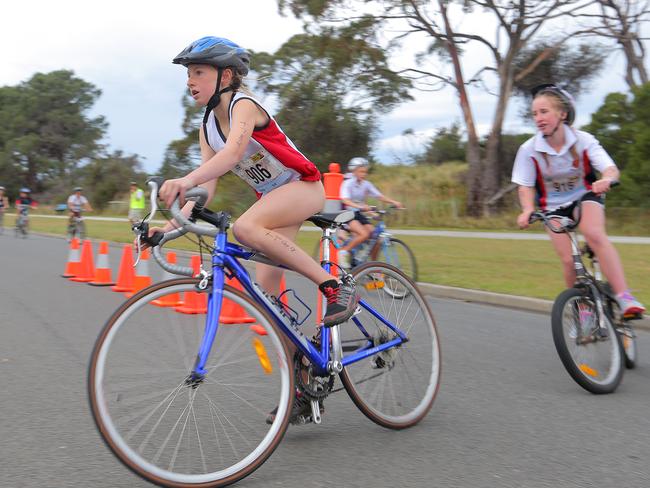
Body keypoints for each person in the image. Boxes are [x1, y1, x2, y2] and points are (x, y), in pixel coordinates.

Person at [155, 36, 359, 330]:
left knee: (244, 228)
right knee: (267, 300)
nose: (190, 81)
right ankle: (300, 363)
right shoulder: (207, 126)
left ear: (225, 75)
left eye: (198, 72)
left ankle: (334, 286)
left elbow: (232, 154)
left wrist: (185, 180)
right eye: (188, 74)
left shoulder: (244, 105)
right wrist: (167, 230)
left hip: (303, 187)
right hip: (275, 199)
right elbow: (207, 188)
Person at [511, 83, 645, 317]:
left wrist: (607, 179)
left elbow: (610, 168)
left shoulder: (583, 140)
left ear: (562, 114)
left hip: (585, 197)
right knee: (567, 259)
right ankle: (583, 309)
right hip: (552, 207)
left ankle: (625, 297)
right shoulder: (529, 149)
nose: (538, 118)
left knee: (594, 235)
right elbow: (525, 185)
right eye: (534, 114)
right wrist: (527, 209)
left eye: (544, 112)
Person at [337, 157, 403, 268]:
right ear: (354, 171)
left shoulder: (366, 184)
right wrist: (360, 206)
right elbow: (345, 200)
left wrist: (394, 202)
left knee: (375, 236)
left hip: (359, 213)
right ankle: (343, 252)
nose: (364, 174)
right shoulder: (348, 183)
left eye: (365, 172)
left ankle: (373, 266)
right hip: (347, 214)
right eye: (361, 171)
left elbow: (379, 196)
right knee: (364, 234)